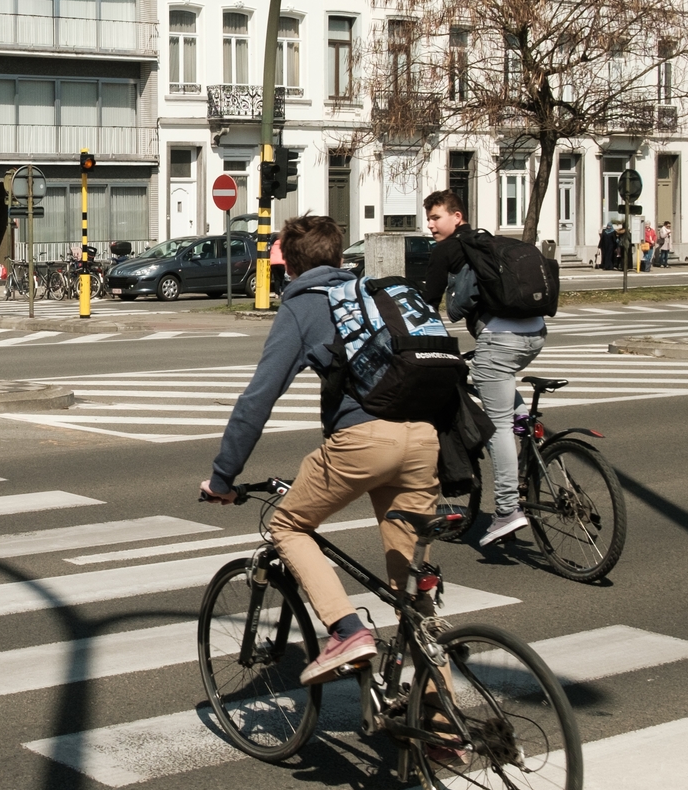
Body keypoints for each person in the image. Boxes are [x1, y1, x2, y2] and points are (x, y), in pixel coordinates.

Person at [198, 214, 443, 686]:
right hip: (423, 439)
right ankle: (439, 726)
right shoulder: (371, 294)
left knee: (287, 525)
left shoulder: (304, 305)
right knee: (412, 592)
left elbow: (258, 399)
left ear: (289, 265)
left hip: (365, 442)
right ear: (337, 255)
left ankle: (347, 630)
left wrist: (223, 478)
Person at [417, 189, 546, 550]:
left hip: (500, 339)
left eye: (436, 217)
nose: (430, 225)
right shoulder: (486, 241)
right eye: (428, 218)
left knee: (496, 427)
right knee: (499, 386)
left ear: (457, 217)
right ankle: (527, 425)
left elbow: (428, 302)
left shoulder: (447, 249)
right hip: (534, 333)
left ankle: (507, 510)